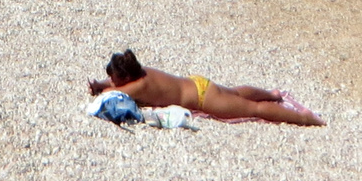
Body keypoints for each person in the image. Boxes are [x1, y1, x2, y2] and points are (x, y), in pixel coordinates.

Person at [89, 50, 323, 126]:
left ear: (125, 77)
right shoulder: (143, 71)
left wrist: (102, 89)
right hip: (199, 83)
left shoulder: (139, 85)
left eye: (114, 77)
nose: (112, 81)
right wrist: (101, 82)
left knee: (254, 110)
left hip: (203, 99)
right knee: (236, 92)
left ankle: (304, 118)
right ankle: (272, 94)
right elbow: (115, 84)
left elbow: (114, 93)